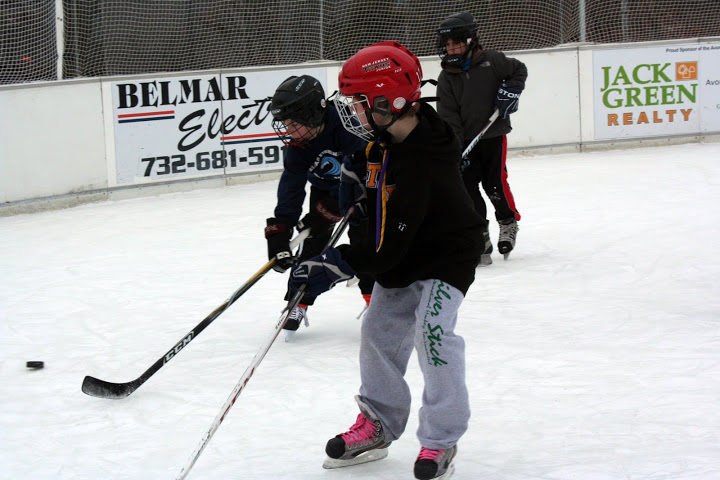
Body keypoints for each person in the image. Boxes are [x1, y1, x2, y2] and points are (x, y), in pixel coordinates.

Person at [287, 41, 483, 480]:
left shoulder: (425, 159)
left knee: (432, 333)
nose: (353, 112)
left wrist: (334, 264)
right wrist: (355, 186)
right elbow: (377, 218)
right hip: (403, 250)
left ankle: (440, 438)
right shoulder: (386, 139)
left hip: (446, 254)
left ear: (387, 101)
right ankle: (378, 423)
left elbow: (385, 249)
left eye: (359, 103)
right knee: (378, 330)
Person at [265, 74, 374, 337]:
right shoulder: (299, 144)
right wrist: (281, 228)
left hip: (363, 191)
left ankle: (377, 304)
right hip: (324, 190)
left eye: (293, 124)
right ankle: (297, 302)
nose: (289, 131)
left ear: (313, 114)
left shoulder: (347, 128)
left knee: (365, 246)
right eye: (285, 125)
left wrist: (331, 207)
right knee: (313, 245)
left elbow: (362, 172)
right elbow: (291, 184)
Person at [436, 12, 528, 263]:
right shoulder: (446, 77)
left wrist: (511, 91)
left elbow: (519, 70)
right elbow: (449, 116)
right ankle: (480, 235)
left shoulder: (493, 61)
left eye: (457, 43)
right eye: (448, 44)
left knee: (494, 182)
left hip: (494, 135)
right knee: (467, 188)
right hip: (466, 141)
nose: (451, 48)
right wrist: (455, 147)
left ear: (471, 40)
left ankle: (508, 222)